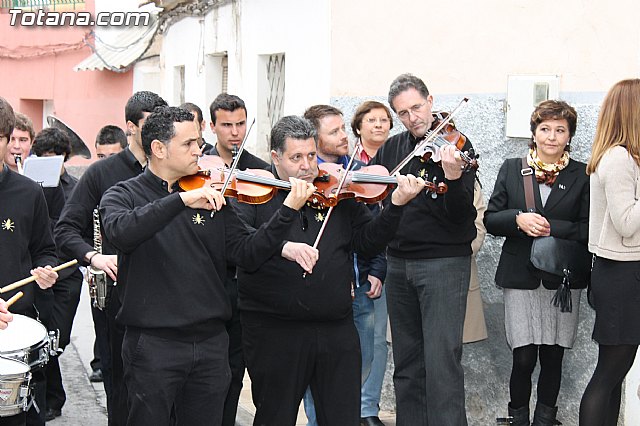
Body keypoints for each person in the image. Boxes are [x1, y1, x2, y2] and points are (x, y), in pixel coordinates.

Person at [99, 106, 317, 426]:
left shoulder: (212, 194)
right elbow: (121, 232)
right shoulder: (124, 194)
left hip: (211, 344)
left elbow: (248, 252)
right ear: (159, 149)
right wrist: (181, 200)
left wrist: (286, 211)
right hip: (154, 345)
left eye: (199, 142)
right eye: (188, 144)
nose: (198, 150)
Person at [234, 115, 423, 426]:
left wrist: (397, 205)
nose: (307, 167)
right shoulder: (254, 193)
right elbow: (247, 253)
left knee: (341, 418)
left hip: (335, 326)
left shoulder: (333, 191)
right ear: (275, 157)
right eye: (296, 158)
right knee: (275, 416)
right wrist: (288, 209)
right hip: (274, 329)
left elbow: (368, 243)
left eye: (311, 155)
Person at [368, 73, 476, 426]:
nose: (413, 118)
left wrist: (455, 178)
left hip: (443, 264)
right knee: (407, 362)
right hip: (399, 264)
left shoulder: (457, 146)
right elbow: (376, 203)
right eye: (403, 113)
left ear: (431, 101)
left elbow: (462, 217)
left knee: (442, 361)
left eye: (417, 107)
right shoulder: (393, 149)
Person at [54, 91, 168, 426]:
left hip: (169, 299)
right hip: (117, 300)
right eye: (150, 124)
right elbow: (66, 230)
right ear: (131, 127)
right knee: (122, 390)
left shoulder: (178, 170)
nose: (160, 131)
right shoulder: (101, 173)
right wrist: (93, 258)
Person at [484, 100, 589, 425]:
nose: (552, 137)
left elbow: (589, 227)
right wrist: (518, 219)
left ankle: (546, 419)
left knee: (554, 356)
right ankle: (517, 418)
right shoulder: (513, 168)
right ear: (534, 132)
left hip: (562, 279)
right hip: (521, 276)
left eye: (560, 130)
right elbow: (490, 219)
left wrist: (549, 226)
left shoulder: (582, 173)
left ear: (569, 135)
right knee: (524, 357)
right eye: (545, 129)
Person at [301, 105, 387, 426]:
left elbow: (370, 225)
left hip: (360, 286)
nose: (344, 136)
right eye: (334, 131)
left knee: (360, 366)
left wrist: (377, 267)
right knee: (319, 376)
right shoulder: (306, 177)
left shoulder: (354, 171)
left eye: (342, 129)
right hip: (325, 294)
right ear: (314, 138)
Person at [579, 78, 640, 426]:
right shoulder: (617, 159)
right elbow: (627, 222)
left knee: (617, 371)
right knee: (608, 372)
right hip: (619, 276)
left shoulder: (628, 157)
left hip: (626, 274)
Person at [0, 96, 59, 426]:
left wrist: (46, 271)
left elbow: (44, 250)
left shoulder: (28, 192)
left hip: (16, 327)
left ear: (9, 140)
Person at [31, 127, 86, 422]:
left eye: (53, 157)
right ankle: (49, 398)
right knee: (40, 341)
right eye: (42, 157)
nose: (48, 162)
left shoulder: (75, 189)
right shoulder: (30, 187)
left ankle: (53, 395)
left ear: (64, 157)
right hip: (37, 276)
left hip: (65, 276)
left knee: (57, 340)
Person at [350, 100, 393, 426]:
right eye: (372, 120)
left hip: (380, 264)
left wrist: (379, 267)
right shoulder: (347, 163)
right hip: (354, 265)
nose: (379, 125)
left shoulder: (398, 157)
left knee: (376, 340)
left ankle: (367, 409)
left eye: (384, 120)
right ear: (359, 126)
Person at [89, 124, 127, 383]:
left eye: (112, 157)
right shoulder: (94, 180)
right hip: (103, 272)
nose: (106, 164)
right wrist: (90, 257)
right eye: (101, 157)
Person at [464, 178, 488, 344]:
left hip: (456, 267)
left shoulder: (468, 179)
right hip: (413, 266)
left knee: (448, 353)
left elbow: (478, 225)